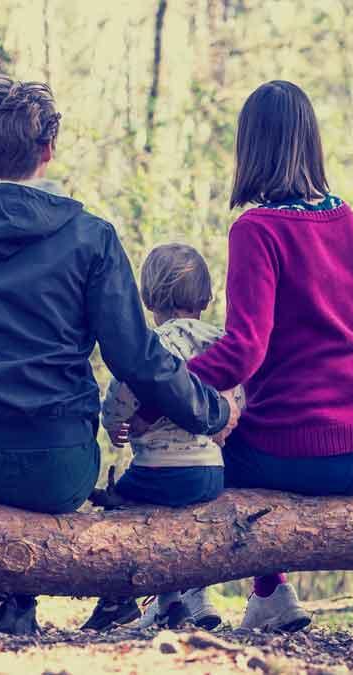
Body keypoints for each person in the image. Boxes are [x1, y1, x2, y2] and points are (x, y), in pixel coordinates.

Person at [0, 76, 237, 634]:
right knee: (18, 446)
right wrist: (211, 411)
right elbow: (137, 359)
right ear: (48, 150)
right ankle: (14, 600)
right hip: (59, 469)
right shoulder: (92, 237)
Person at [142, 81, 353, 632]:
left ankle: (182, 598)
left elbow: (242, 352)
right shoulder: (350, 222)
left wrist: (162, 387)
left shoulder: (258, 230)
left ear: (250, 147)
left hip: (298, 447)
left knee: (187, 463)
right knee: (239, 435)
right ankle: (271, 596)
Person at [80, 244, 246, 633]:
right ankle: (181, 601)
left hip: (159, 470)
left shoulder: (153, 345)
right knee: (185, 523)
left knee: (119, 507)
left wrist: (114, 422)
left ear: (148, 296)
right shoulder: (220, 342)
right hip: (209, 473)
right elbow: (236, 394)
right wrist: (224, 426)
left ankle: (118, 602)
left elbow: (125, 389)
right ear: (206, 297)